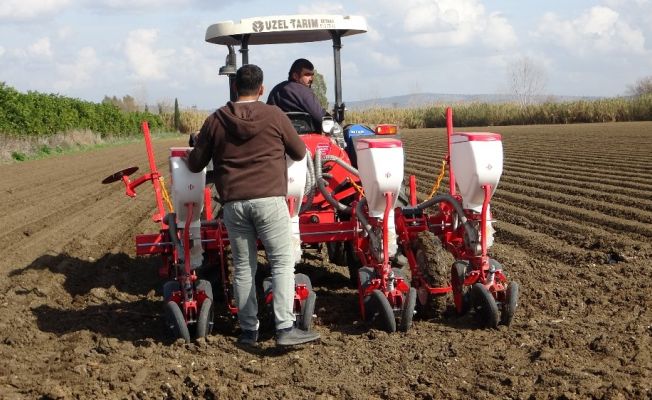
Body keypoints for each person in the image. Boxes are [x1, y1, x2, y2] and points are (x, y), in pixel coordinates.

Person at [186, 64, 320, 347]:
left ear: (235, 88)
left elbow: (196, 164)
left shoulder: (216, 120)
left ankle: (249, 332)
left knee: (244, 268)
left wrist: (200, 143)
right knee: (281, 263)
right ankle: (285, 328)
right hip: (270, 201)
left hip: (234, 204)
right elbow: (298, 152)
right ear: (261, 89)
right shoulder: (274, 115)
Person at [267, 58, 345, 147]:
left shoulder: (276, 90)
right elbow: (320, 117)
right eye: (307, 75)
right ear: (295, 76)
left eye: (312, 75)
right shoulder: (304, 91)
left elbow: (268, 115)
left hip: (279, 141)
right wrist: (334, 122)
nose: (311, 79)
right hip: (308, 143)